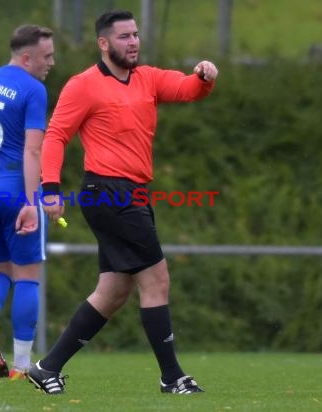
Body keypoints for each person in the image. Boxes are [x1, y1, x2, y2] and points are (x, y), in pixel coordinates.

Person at [27, 10, 218, 394]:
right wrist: (49, 188)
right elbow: (56, 136)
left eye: (135, 35)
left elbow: (186, 89)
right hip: (108, 193)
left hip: (132, 195)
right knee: (156, 279)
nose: (133, 42)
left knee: (113, 292)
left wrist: (203, 76)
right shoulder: (83, 85)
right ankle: (172, 377)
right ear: (103, 43)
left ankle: (46, 368)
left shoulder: (146, 78)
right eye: (124, 37)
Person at [0, 24, 54, 380]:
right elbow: (34, 149)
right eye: (47, 56)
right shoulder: (34, 89)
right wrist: (34, 200)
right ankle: (21, 365)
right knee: (27, 277)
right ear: (26, 57)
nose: (52, 62)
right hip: (15, 191)